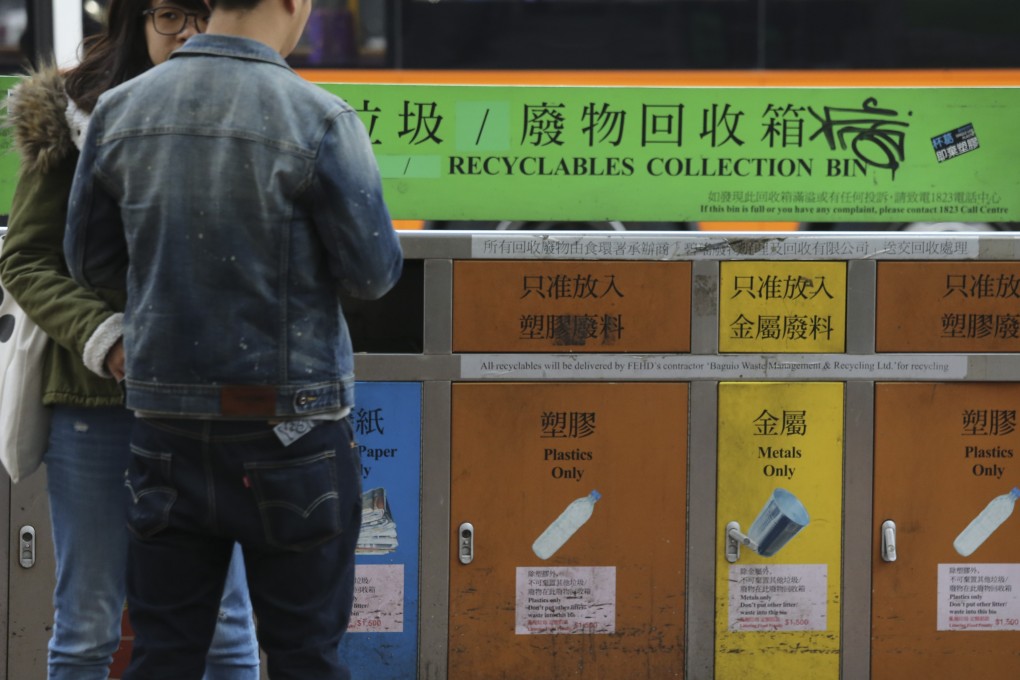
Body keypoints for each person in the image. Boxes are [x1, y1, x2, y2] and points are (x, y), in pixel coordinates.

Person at [63, 0, 404, 677]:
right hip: (293, 434)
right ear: (291, 3)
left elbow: (87, 261)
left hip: (164, 428)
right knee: (305, 656)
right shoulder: (318, 117)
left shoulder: (121, 111)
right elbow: (373, 274)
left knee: (163, 654)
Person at [0, 3, 260, 680]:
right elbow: (25, 259)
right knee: (88, 623)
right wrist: (107, 339)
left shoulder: (251, 106)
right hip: (94, 402)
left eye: (207, 15)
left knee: (228, 625)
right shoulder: (74, 114)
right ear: (133, 21)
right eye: (171, 15)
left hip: (207, 405)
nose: (190, 36)